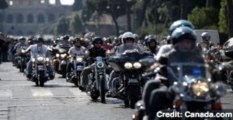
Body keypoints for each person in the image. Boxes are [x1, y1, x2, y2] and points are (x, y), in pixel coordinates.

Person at [144, 26, 204, 120]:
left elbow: (208, 68)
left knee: (212, 99)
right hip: (173, 85)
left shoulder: (197, 56)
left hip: (195, 87)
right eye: (182, 42)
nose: (185, 45)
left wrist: (216, 70)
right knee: (157, 93)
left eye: (188, 42)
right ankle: (150, 117)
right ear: (176, 43)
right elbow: (158, 63)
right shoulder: (169, 55)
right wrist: (158, 65)